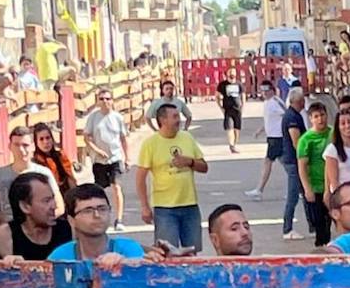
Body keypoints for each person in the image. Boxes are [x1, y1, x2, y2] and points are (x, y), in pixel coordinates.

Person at [136, 102, 208, 251]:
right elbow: (140, 178)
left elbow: (204, 167)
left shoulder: (187, 138)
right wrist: (144, 206)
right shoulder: (150, 144)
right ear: (163, 120)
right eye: (174, 116)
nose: (179, 120)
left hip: (190, 205)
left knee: (193, 251)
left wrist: (189, 161)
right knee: (167, 252)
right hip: (165, 209)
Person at [0, 127, 58, 221]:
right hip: (8, 227)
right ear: (10, 146)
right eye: (16, 145)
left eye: (25, 145)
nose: (21, 150)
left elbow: (59, 206)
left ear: (33, 146)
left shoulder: (44, 173)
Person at [85, 87, 130, 229]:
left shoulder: (117, 118)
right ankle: (101, 218)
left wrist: (127, 158)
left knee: (116, 187)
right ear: (97, 102)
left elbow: (123, 139)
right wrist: (97, 150)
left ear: (112, 101)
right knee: (99, 190)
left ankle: (119, 219)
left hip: (115, 157)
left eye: (108, 99)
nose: (105, 102)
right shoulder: (93, 117)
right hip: (98, 160)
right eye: (102, 99)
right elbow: (87, 137)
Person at [295, 101, 333, 247]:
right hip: (315, 186)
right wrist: (307, 189)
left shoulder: (333, 133)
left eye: (322, 115)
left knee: (329, 219)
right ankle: (320, 247)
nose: (320, 119)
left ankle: (327, 245)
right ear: (310, 119)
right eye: (316, 116)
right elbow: (302, 166)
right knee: (318, 221)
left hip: (331, 185)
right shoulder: (305, 140)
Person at [245, 80, 285, 200]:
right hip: (272, 136)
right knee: (287, 165)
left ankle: (259, 189)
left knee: (269, 162)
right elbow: (269, 121)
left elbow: (285, 114)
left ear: (272, 91)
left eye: (267, 91)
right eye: (262, 91)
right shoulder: (268, 103)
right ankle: (297, 188)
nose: (264, 93)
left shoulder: (274, 102)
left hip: (277, 137)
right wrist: (261, 130)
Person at [279, 87, 308, 241]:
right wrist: (305, 156)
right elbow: (296, 141)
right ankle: (287, 228)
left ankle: (312, 224)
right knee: (293, 195)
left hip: (293, 160)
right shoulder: (292, 117)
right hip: (293, 161)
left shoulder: (295, 115)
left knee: (305, 192)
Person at [32, 123, 76, 198]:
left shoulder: (61, 156)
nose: (45, 142)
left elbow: (70, 179)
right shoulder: (35, 162)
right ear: (36, 142)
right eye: (41, 139)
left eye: (48, 138)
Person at [216, 68, 244, 153]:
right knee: (229, 128)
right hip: (228, 110)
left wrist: (242, 107)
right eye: (230, 74)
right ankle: (231, 145)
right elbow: (217, 96)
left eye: (233, 74)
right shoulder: (222, 85)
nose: (232, 75)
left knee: (237, 129)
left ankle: (234, 144)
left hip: (237, 110)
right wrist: (221, 107)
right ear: (227, 75)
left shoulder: (239, 84)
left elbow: (243, 96)